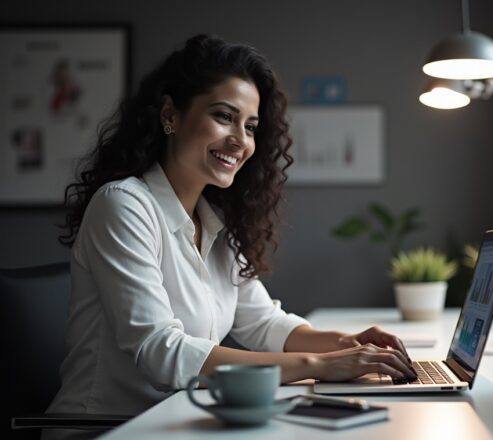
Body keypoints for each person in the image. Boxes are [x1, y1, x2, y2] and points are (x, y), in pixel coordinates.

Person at [47, 34, 415, 427]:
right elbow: (161, 352)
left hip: (180, 423)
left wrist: (351, 345)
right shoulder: (123, 205)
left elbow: (264, 323)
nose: (241, 140)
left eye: (251, 126)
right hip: (108, 429)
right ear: (170, 114)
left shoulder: (214, 220)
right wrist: (320, 365)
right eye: (224, 116)